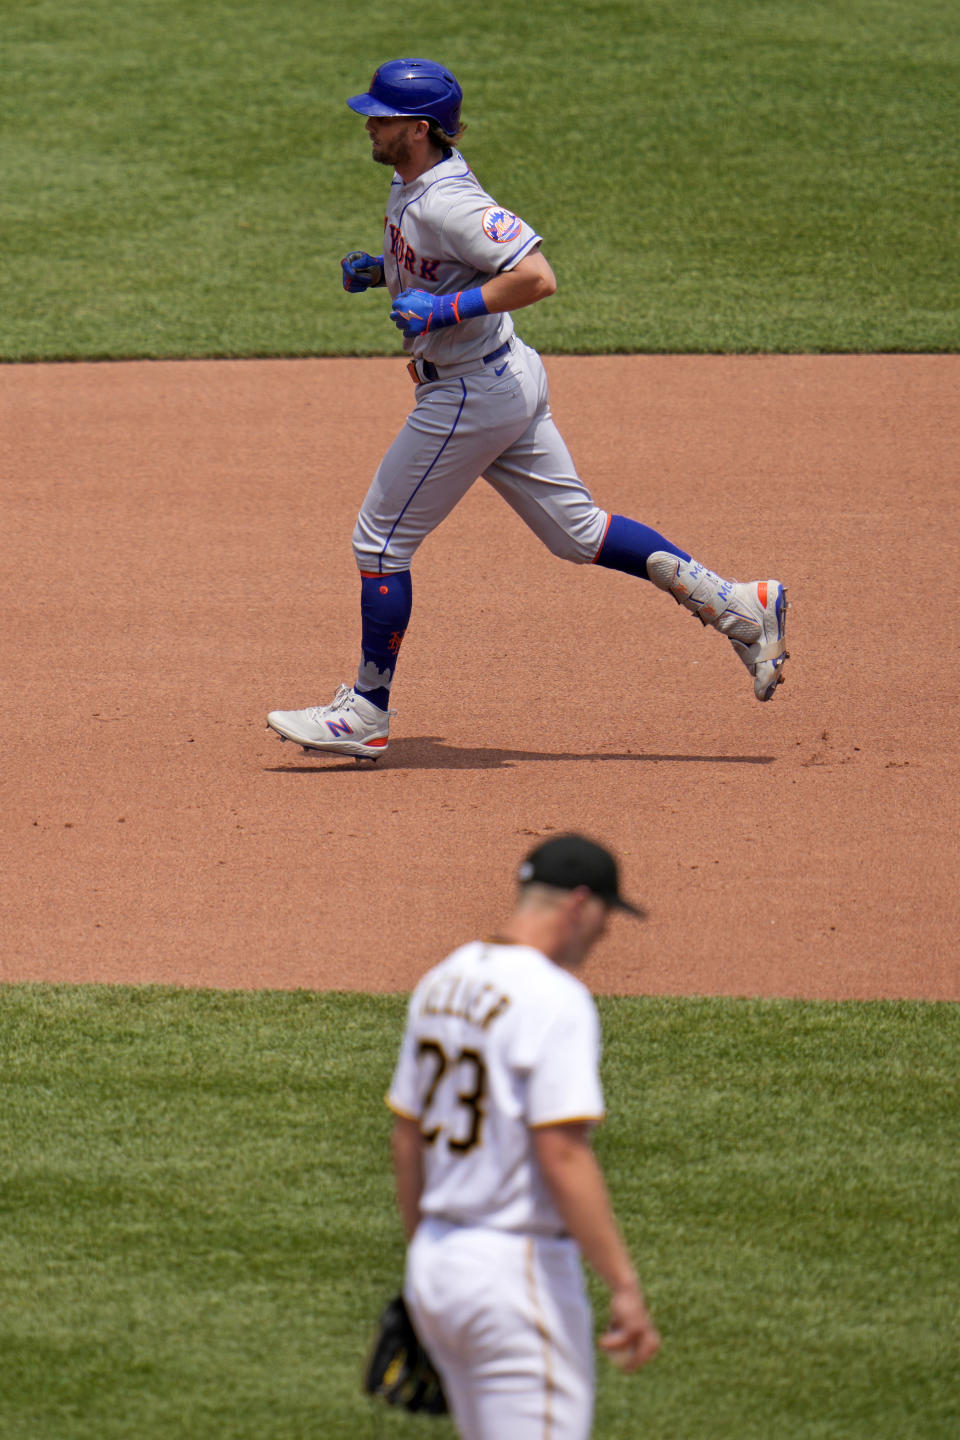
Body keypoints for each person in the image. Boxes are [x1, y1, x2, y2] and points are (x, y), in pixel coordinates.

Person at [267, 59, 789, 760]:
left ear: (417, 130)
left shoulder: (448, 200)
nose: (370, 124)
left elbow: (536, 276)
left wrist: (446, 307)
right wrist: (385, 271)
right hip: (504, 376)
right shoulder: (413, 180)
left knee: (380, 544)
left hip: (468, 393)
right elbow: (447, 258)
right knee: (578, 533)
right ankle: (738, 605)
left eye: (382, 117)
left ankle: (366, 711)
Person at [385, 833, 660, 1439]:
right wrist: (624, 1285)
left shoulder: (442, 979)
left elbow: (407, 1138)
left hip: (435, 1266)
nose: (605, 933)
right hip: (513, 1277)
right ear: (578, 904)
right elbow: (561, 1153)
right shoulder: (556, 999)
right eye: (606, 916)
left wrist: (426, 1257)